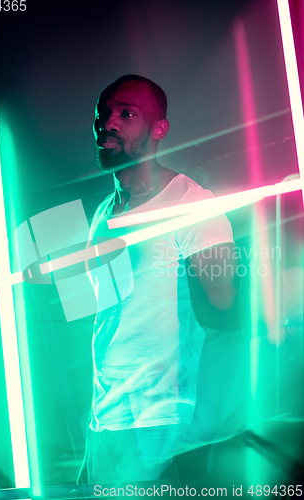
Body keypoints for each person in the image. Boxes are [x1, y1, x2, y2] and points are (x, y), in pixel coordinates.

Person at [77, 75, 239, 484]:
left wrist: (201, 428)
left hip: (163, 425)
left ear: (159, 129)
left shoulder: (190, 203)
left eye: (126, 114)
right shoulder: (102, 216)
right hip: (105, 425)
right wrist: (94, 429)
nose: (108, 124)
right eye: (103, 114)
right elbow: (110, 325)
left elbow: (228, 313)